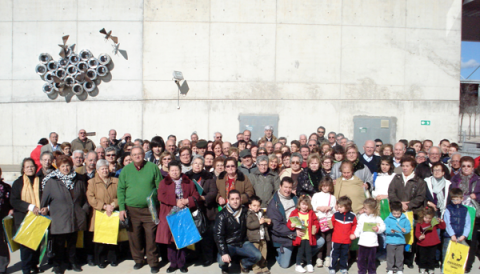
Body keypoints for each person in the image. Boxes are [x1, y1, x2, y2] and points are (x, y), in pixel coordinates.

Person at [41, 155, 89, 274]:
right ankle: (58, 264)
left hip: (75, 217)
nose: (66, 168)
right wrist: (46, 209)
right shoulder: (51, 181)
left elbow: (85, 198)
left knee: (72, 243)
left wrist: (84, 211)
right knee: (59, 244)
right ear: (58, 167)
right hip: (59, 218)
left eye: (67, 165)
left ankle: (73, 262)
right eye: (63, 166)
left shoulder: (78, 179)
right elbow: (44, 201)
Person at [117, 147, 162, 273]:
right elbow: (120, 190)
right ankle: (138, 260)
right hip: (132, 210)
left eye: (139, 154)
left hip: (150, 210)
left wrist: (157, 203)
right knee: (134, 237)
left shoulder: (152, 167)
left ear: (144, 155)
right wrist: (122, 208)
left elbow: (160, 187)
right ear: (131, 156)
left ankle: (153, 262)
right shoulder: (126, 170)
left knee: (151, 237)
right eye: (134, 154)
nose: (137, 156)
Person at [266, 177, 325, 268]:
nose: (287, 190)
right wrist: (294, 233)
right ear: (280, 186)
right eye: (285, 187)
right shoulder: (274, 204)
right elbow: (276, 227)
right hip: (285, 236)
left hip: (302, 231)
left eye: (290, 187)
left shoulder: (295, 198)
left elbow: (307, 211)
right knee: (285, 265)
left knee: (320, 241)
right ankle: (278, 254)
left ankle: (302, 257)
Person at [157, 160, 200, 273]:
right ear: (169, 171)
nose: (174, 172)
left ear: (180, 171)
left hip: (184, 213)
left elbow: (196, 195)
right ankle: (173, 263)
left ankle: (182, 263)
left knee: (182, 239)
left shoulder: (188, 182)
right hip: (169, 213)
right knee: (170, 241)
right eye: (172, 170)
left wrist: (186, 201)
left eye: (176, 170)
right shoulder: (163, 182)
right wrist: (175, 202)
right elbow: (161, 196)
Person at [214, 190, 262, 274]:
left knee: (258, 256)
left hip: (242, 243)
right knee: (221, 260)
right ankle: (224, 267)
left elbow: (256, 215)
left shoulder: (245, 211)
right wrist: (224, 252)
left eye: (237, 198)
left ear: (240, 199)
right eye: (232, 199)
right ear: (228, 200)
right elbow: (218, 235)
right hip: (229, 244)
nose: (235, 201)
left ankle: (244, 264)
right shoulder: (222, 215)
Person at [10, 158, 42, 274]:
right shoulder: (18, 183)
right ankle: (26, 268)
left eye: (32, 166)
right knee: (26, 246)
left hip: (38, 217)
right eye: (27, 167)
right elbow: (14, 201)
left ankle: (34, 264)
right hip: (24, 218)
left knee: (36, 244)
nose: (30, 168)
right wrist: (30, 207)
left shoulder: (40, 180)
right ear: (23, 169)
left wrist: (44, 207)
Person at [185, 156, 218, 266]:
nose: (197, 165)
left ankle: (207, 258)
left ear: (203, 165)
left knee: (206, 236)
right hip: (191, 209)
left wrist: (203, 198)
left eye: (200, 163)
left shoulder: (209, 177)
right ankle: (194, 255)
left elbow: (213, 192)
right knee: (193, 234)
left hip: (206, 210)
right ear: (192, 164)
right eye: (195, 163)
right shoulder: (186, 177)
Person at [449, 156, 480, 272]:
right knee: (456, 238)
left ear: (473, 167)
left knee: (470, 240)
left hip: (472, 213)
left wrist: (476, 196)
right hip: (457, 211)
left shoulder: (478, 180)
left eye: (469, 166)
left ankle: (467, 266)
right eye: (464, 166)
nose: (466, 168)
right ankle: (455, 264)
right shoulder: (455, 179)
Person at [86, 159, 119, 268]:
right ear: (97, 171)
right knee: (100, 238)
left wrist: (113, 205)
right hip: (98, 213)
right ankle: (100, 259)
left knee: (112, 237)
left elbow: (120, 196)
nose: (105, 171)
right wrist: (104, 206)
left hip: (112, 212)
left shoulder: (115, 181)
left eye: (106, 168)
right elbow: (91, 198)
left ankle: (112, 259)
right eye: (102, 169)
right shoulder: (91, 182)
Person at [286, 195, 319, 273]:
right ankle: (298, 265)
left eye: (306, 204)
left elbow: (316, 222)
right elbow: (289, 223)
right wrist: (291, 226)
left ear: (309, 205)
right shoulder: (295, 212)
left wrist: (315, 228)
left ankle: (309, 264)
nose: (304, 206)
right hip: (300, 236)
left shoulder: (311, 213)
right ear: (299, 204)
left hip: (308, 235)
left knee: (308, 251)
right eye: (303, 204)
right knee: (300, 251)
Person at [354, 198, 386, 274]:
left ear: (372, 209)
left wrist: (377, 229)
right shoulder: (362, 217)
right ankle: (361, 271)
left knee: (371, 259)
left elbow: (383, 227)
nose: (364, 210)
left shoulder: (377, 218)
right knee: (361, 259)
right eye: (364, 208)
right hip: (362, 242)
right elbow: (359, 227)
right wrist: (355, 234)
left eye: (366, 208)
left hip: (372, 243)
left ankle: (372, 271)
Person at [311, 177, 336, 268]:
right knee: (321, 239)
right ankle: (319, 258)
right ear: (321, 186)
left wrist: (330, 208)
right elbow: (312, 206)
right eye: (323, 186)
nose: (325, 188)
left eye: (327, 186)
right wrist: (319, 208)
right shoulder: (316, 195)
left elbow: (335, 209)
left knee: (329, 240)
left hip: (328, 220)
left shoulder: (332, 197)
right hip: (319, 220)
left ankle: (328, 257)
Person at [442, 188, 471, 264]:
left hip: (460, 237)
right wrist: (452, 235)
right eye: (453, 200)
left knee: (459, 257)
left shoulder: (465, 210)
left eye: (457, 199)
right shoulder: (448, 209)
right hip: (449, 237)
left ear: (462, 199)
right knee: (447, 255)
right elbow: (447, 223)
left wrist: (464, 235)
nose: (455, 202)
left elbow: (468, 224)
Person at [329, 196, 357, 274]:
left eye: (341, 207)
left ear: (347, 207)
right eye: (338, 207)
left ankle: (343, 267)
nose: (339, 209)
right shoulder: (335, 215)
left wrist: (352, 233)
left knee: (344, 254)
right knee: (334, 254)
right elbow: (332, 223)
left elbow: (355, 225)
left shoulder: (352, 216)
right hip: (336, 239)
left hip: (346, 240)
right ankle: (332, 268)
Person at [414, 207, 446, 274]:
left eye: (429, 218)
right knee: (423, 257)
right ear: (423, 216)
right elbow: (417, 232)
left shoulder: (433, 222)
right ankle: (422, 267)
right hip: (423, 243)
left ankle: (430, 268)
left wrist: (442, 222)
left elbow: (442, 227)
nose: (428, 220)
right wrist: (419, 236)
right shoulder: (419, 223)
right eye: (426, 218)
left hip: (433, 243)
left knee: (431, 257)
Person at [384, 201, 411, 274]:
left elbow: (408, 228)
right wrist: (390, 230)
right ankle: (390, 268)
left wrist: (405, 230)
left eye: (398, 214)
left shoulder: (405, 219)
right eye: (394, 214)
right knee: (390, 257)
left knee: (399, 257)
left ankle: (399, 269)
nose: (396, 215)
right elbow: (384, 227)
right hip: (390, 241)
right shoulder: (388, 219)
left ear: (401, 211)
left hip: (400, 241)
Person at [246, 196, 271, 274]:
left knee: (264, 252)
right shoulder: (249, 214)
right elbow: (249, 225)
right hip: (254, 238)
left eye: (258, 205)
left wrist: (267, 221)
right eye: (254, 205)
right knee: (256, 253)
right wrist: (259, 222)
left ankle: (263, 265)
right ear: (249, 206)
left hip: (262, 237)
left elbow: (265, 219)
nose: (256, 207)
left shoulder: (261, 212)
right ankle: (256, 267)